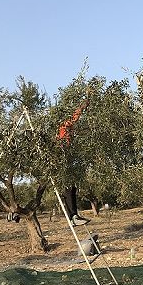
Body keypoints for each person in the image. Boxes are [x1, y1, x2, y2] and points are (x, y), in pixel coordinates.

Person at [57, 97, 90, 226]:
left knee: (72, 188)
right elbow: (73, 119)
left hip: (66, 158)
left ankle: (74, 215)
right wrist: (82, 107)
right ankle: (73, 217)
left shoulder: (67, 130)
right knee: (68, 188)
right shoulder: (63, 127)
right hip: (61, 159)